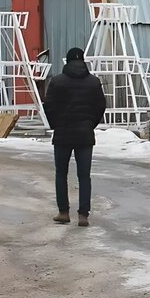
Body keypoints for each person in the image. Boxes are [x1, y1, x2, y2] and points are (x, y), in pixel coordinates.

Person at [43, 47, 106, 227]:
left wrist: (56, 124)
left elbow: (49, 106)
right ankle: (83, 215)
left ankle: (63, 212)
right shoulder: (94, 82)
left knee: (61, 174)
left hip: (62, 133)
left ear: (67, 61)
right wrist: (89, 123)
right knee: (84, 176)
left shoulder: (57, 81)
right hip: (85, 134)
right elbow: (100, 106)